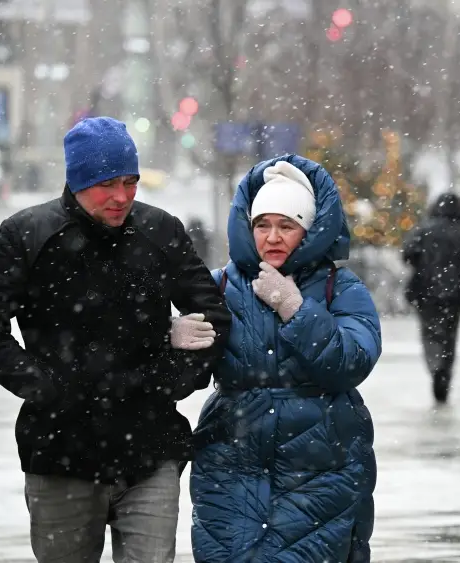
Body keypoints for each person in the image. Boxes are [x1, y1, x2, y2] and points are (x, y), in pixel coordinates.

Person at [0, 116, 232, 563]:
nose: (121, 196)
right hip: (60, 452)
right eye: (107, 184)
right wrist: (46, 387)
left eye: (130, 181)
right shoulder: (27, 235)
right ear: (78, 180)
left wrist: (173, 380)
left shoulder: (161, 232)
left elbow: (214, 319)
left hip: (151, 446)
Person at [175, 155, 382, 562]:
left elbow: (354, 360)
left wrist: (296, 309)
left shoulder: (340, 287)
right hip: (231, 462)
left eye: (287, 225)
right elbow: (181, 375)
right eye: (262, 225)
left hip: (322, 466)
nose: (272, 237)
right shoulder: (219, 285)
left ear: (309, 230)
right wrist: (169, 338)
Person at [402, 192, 460, 404]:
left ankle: (434, 365)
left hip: (426, 292)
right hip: (454, 294)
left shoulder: (424, 230)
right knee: (449, 336)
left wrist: (423, 263)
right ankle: (444, 369)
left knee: (429, 333)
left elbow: (408, 254)